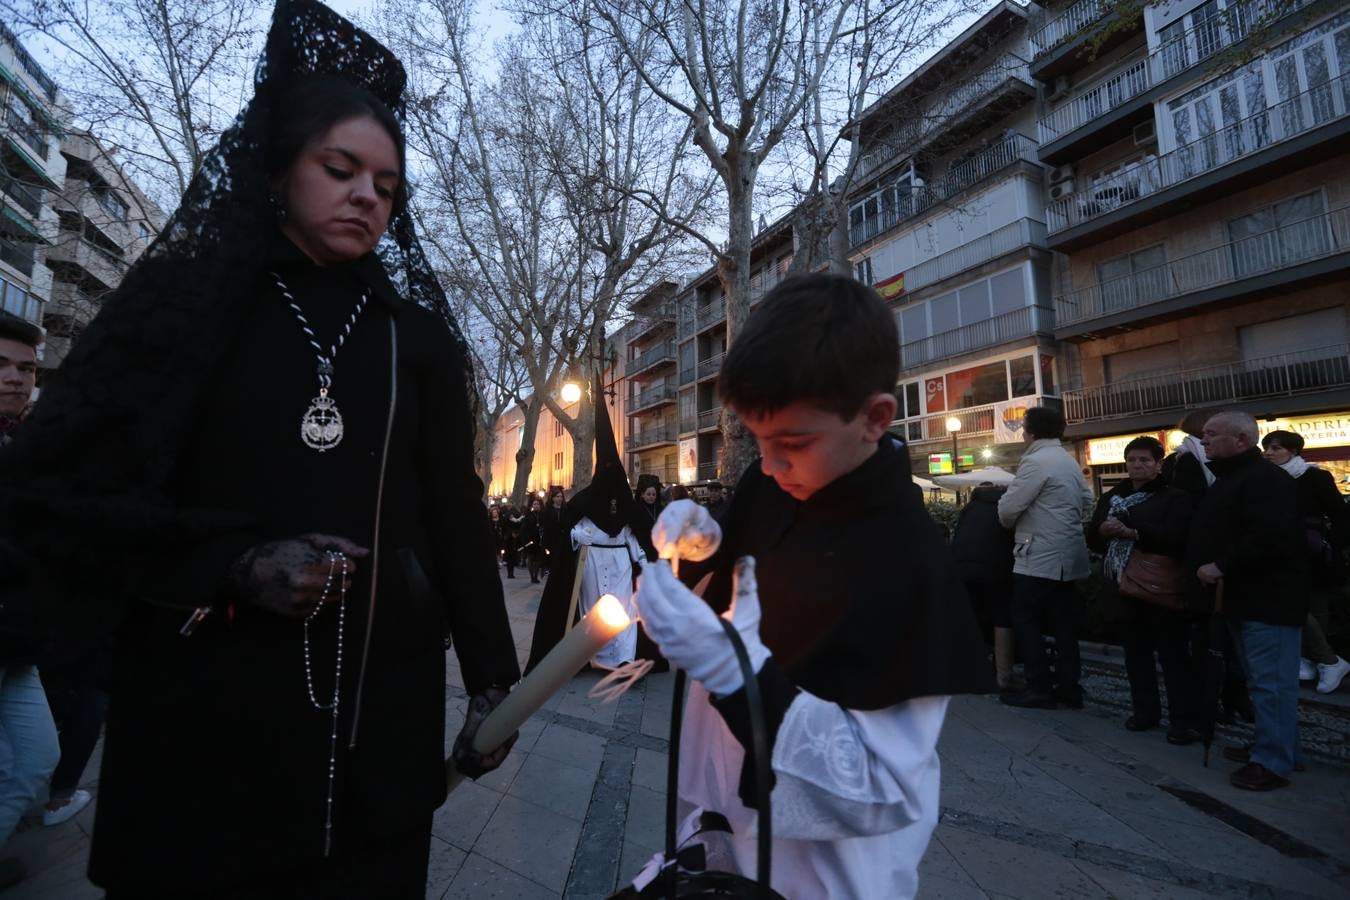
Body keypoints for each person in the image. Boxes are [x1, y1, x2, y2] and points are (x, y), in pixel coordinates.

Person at [0, 3, 520, 894]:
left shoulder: (419, 340)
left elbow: (454, 508)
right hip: (208, 700)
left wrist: (495, 679)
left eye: (387, 186)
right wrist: (235, 564)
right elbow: (83, 496)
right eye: (341, 169)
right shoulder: (187, 315)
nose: (367, 195)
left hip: (373, 707)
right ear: (280, 170)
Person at [625, 273, 992, 898]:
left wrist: (732, 669)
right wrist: (705, 544)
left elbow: (878, 788)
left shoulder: (909, 562)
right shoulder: (772, 484)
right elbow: (755, 563)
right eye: (757, 441)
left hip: (826, 869)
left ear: (875, 417)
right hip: (727, 828)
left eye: (792, 443)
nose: (769, 466)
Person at [1188, 412, 1304, 791]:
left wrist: (1221, 565)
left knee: (1271, 683)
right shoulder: (1235, 477)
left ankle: (1272, 761)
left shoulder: (1264, 480)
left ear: (1240, 440)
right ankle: (1276, 746)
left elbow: (1271, 537)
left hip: (1267, 599)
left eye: (1212, 434)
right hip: (1243, 598)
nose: (1204, 440)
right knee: (1261, 681)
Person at [526, 380, 650, 672]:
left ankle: (623, 657)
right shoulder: (584, 502)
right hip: (591, 560)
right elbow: (573, 532)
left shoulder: (626, 504)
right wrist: (577, 538)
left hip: (620, 561)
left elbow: (635, 535)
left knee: (624, 608)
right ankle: (592, 655)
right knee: (592, 609)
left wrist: (644, 561)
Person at [0, 313, 60, 891]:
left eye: (26, 368)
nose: (16, 379)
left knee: (36, 757)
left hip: (16, 639)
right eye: (1, 366)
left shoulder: (20, 443)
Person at [1086, 437, 1197, 743]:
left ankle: (1181, 719)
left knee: (1173, 657)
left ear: (1158, 464)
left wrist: (1135, 532)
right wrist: (1101, 532)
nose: (1137, 465)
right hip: (1123, 585)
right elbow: (1093, 537)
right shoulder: (1112, 497)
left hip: (1160, 586)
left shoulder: (1174, 497)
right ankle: (1144, 711)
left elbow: (1179, 536)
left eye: (1145, 460)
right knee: (1136, 655)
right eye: (1132, 460)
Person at [997, 406, 1094, 709]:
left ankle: (1038, 685)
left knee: (1024, 617)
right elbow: (1087, 500)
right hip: (1069, 555)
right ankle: (1069, 687)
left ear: (1031, 432)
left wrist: (1011, 519)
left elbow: (1008, 509)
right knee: (1064, 623)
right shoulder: (1068, 460)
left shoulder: (1036, 461)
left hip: (1038, 553)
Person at [1261, 429, 1349, 694]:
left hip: (1315, 550)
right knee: (1299, 603)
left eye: (1276, 448)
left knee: (1315, 604)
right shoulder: (1267, 479)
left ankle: (1318, 660)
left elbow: (1339, 514)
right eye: (1267, 448)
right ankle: (1325, 659)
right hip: (1285, 550)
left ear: (1293, 451)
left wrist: (1334, 546)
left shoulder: (1314, 476)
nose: (1270, 453)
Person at [949, 482, 1018, 692]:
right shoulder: (1005, 507)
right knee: (1002, 617)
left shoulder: (970, 508)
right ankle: (1003, 677)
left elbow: (958, 536)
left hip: (961, 569)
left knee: (972, 617)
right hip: (995, 570)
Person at [631, 473, 664, 562]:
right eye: (648, 494)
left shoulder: (659, 508)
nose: (651, 497)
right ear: (642, 494)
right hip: (643, 549)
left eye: (654, 494)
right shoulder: (637, 509)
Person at [517, 497, 546, 584]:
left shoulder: (543, 515)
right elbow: (524, 529)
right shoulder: (528, 515)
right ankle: (532, 576)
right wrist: (526, 540)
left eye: (538, 504)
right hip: (530, 541)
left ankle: (535, 576)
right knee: (530, 558)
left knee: (538, 559)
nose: (536, 506)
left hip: (539, 541)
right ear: (532, 505)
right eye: (534, 504)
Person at [489, 504, 515, 578]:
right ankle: (495, 563)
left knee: (499, 551)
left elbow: (505, 529)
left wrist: (505, 535)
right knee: (493, 551)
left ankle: (498, 562)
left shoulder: (501, 520)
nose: (494, 513)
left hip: (499, 538)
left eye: (496, 512)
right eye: (493, 512)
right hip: (492, 538)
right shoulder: (489, 520)